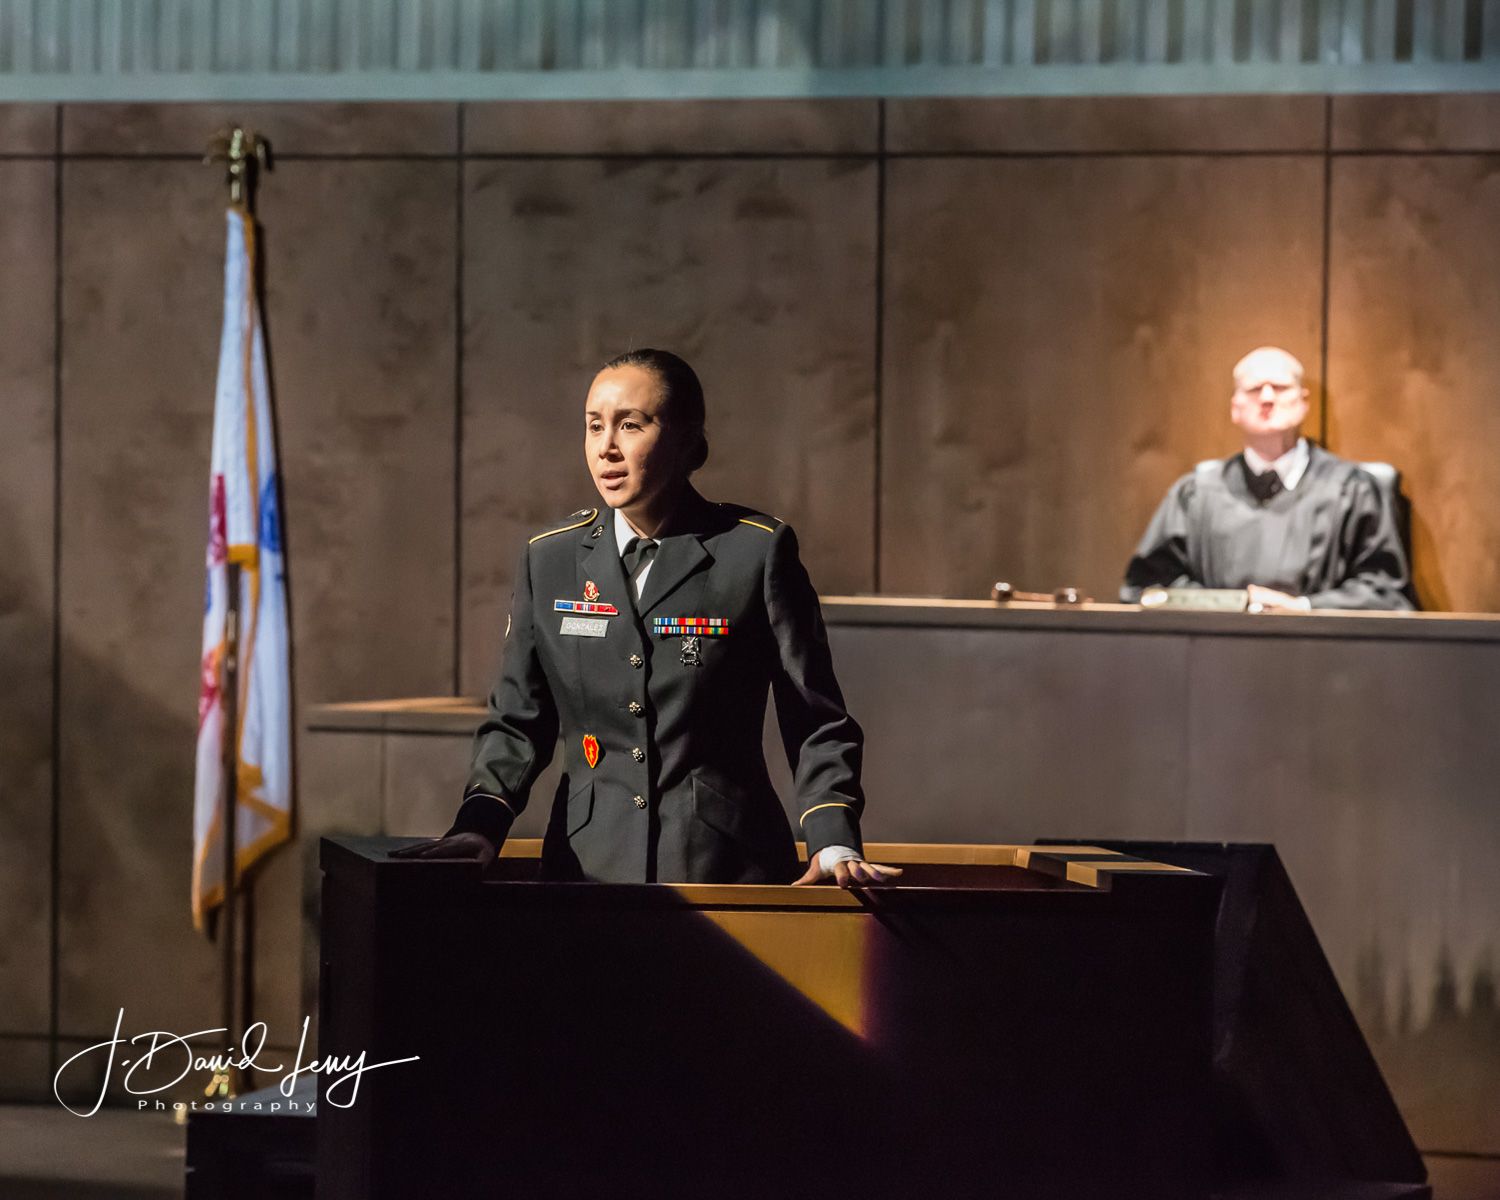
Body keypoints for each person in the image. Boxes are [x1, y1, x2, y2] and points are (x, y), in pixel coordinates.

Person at [394, 349, 901, 888]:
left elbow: (815, 718)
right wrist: (480, 825)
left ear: (688, 441)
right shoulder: (550, 559)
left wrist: (831, 835)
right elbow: (518, 721)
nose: (606, 447)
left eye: (630, 425)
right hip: (586, 872)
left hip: (726, 868)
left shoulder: (753, 552)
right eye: (594, 426)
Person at [1121, 346, 1414, 612]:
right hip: (1216, 649)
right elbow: (1148, 589)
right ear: (1235, 408)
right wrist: (1231, 608)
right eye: (1254, 389)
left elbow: (1386, 593)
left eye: (1280, 387)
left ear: (1304, 403)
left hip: (1322, 650)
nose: (1267, 398)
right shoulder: (1195, 494)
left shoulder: (1354, 490)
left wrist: (1303, 608)